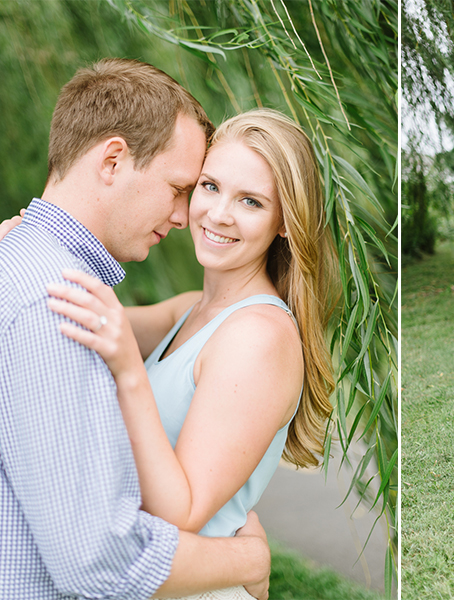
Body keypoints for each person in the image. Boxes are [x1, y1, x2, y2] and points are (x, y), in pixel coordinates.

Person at [0, 59, 270, 600]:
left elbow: (179, 318)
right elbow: (97, 560)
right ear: (113, 160)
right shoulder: (56, 304)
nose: (183, 214)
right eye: (181, 187)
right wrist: (249, 557)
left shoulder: (28, 266)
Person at [46, 108, 338, 599]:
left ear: (286, 222)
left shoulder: (258, 336)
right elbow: (72, 317)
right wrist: (34, 248)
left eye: (250, 201)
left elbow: (182, 512)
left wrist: (129, 374)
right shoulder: (190, 310)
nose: (219, 213)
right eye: (209, 186)